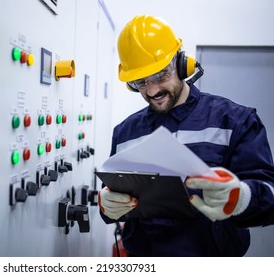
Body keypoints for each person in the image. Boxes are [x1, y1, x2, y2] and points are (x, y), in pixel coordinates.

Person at [98, 15, 274, 256]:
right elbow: (115, 191)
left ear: (182, 65)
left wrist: (242, 197)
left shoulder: (235, 121)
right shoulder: (125, 132)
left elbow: (269, 192)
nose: (152, 90)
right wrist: (107, 204)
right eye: (140, 81)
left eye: (160, 74)